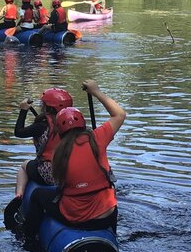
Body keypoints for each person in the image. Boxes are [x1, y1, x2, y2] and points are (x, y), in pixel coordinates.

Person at [22, 80, 126, 237]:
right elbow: (120, 114)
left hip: (76, 217)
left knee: (37, 195)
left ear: (60, 130)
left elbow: (61, 185)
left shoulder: (59, 153)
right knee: (110, 195)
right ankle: (113, 235)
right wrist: (96, 91)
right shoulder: (98, 138)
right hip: (107, 216)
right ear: (83, 125)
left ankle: (27, 239)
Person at [13, 88, 73, 200]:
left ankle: (19, 194)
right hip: (69, 171)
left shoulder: (42, 125)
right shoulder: (73, 124)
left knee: (23, 166)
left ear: (48, 107)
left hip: (49, 173)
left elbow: (18, 132)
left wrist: (23, 110)